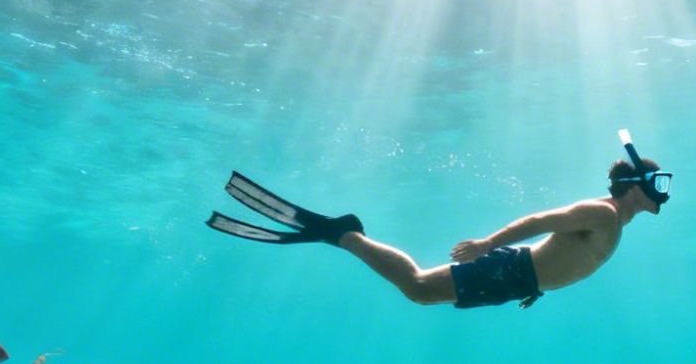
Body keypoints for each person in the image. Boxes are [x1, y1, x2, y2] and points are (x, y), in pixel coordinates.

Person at [207, 130, 671, 309]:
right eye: (658, 182)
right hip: (510, 269)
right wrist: (487, 245)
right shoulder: (602, 212)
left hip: (519, 282)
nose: (663, 192)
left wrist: (538, 287)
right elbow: (539, 220)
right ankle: (347, 235)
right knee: (418, 288)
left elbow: (565, 254)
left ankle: (345, 235)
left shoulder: (615, 221)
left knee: (422, 293)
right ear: (636, 185)